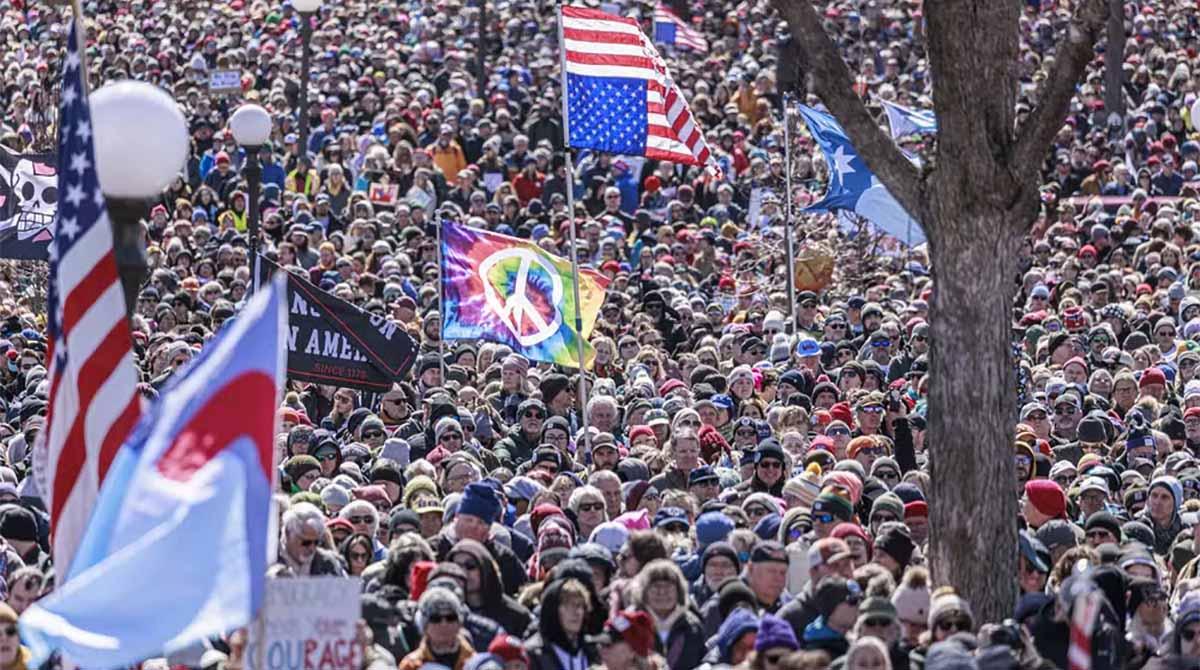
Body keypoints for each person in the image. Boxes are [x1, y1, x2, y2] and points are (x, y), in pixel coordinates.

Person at [397, 586, 475, 670]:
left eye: (450, 618)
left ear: (459, 623)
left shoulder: (475, 663)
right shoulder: (410, 666)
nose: (444, 624)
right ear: (424, 625)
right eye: (436, 619)